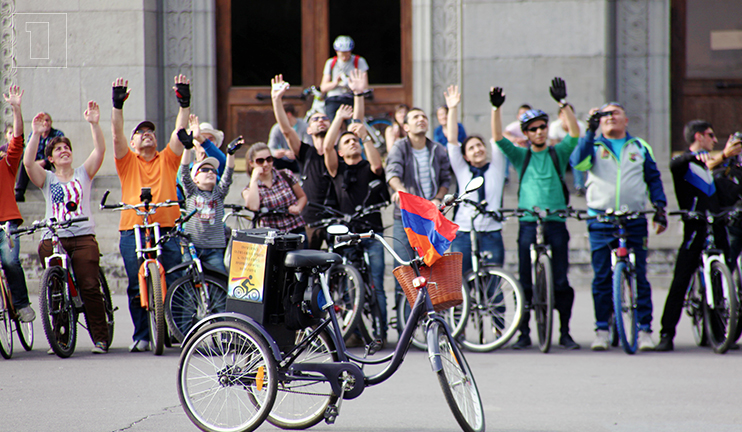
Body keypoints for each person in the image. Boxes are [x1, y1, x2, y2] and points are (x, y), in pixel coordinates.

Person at [491, 78, 581, 350]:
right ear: (526, 134)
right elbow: (497, 138)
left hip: (556, 220)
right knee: (525, 280)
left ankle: (565, 332)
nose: (540, 132)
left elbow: (575, 135)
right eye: (533, 129)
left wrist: (563, 104)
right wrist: (496, 109)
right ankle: (524, 333)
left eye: (542, 127)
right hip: (528, 222)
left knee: (562, 279)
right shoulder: (522, 156)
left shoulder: (558, 152)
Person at [571, 102, 668, 351]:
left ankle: (644, 329)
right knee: (602, 276)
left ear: (626, 120)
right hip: (600, 219)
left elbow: (653, 178)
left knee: (640, 275)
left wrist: (659, 206)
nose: (610, 117)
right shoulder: (592, 145)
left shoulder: (639, 146)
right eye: (605, 115)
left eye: (616, 113)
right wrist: (588, 133)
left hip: (634, 218)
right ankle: (602, 328)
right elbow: (577, 163)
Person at [111, 75, 190, 352]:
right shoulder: (127, 161)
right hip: (133, 228)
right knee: (135, 285)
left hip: (166, 227)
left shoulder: (167, 159)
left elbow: (179, 134)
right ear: (132, 143)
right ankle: (142, 334)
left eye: (151, 132)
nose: (147, 134)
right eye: (141, 133)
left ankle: (179, 331)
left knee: (177, 280)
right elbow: (116, 135)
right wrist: (117, 106)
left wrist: (184, 103)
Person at [24, 101, 109, 353]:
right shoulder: (47, 179)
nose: (64, 151)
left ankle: (100, 337)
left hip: (83, 237)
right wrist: (36, 133)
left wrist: (94, 123)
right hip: (54, 237)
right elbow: (28, 164)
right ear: (50, 158)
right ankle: (60, 338)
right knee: (56, 291)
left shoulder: (84, 173)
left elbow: (100, 150)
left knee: (90, 286)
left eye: (67, 148)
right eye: (58, 149)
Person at [655, 121, 741, 351]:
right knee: (680, 281)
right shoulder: (686, 164)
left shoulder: (710, 167)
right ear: (699, 136)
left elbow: (727, 192)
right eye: (711, 135)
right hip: (695, 229)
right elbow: (676, 163)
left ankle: (720, 332)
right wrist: (718, 155)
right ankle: (666, 334)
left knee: (721, 281)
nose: (715, 140)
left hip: (717, 226)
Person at [272, 71, 367, 248]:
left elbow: (357, 124)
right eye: (316, 119)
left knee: (339, 267)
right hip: (310, 218)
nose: (321, 120)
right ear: (308, 129)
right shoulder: (305, 151)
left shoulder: (341, 149)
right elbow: (286, 129)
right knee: (307, 268)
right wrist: (276, 100)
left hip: (337, 217)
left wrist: (358, 94)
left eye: (325, 118)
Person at [324, 103, 390, 341]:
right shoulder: (336, 169)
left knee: (377, 284)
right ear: (340, 151)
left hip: (371, 232)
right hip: (346, 234)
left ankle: (381, 332)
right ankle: (352, 330)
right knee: (350, 281)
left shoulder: (367, 165)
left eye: (355, 141)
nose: (352, 143)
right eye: (347, 142)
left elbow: (377, 166)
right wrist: (338, 121)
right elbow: (326, 147)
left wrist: (365, 137)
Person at [386, 106, 452, 298]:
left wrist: (438, 198)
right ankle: (404, 323)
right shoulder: (400, 147)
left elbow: (446, 179)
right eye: (415, 117)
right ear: (405, 126)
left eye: (424, 116)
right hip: (405, 219)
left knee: (434, 274)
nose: (421, 119)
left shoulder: (438, 149)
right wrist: (403, 193)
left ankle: (434, 323)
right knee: (404, 272)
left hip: (430, 220)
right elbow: (392, 173)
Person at [443, 85, 506, 275]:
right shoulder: (463, 171)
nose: (477, 149)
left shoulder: (496, 167)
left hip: (491, 233)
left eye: (479, 145)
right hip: (463, 232)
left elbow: (497, 137)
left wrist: (496, 108)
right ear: (466, 157)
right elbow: (453, 142)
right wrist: (452, 109)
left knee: (493, 281)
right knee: (463, 284)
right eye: (471, 148)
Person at [178, 128, 241, 273]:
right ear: (195, 178)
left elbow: (228, 175)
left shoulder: (218, 193)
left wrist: (230, 154)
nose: (210, 173)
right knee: (188, 282)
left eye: (213, 171)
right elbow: (184, 172)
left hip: (214, 249)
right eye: (205, 170)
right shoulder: (192, 191)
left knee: (218, 283)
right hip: (192, 246)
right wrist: (187, 149)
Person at [0, 86, 35, 323]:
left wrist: (16, 108)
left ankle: (21, 304)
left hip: (6, 223)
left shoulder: (6, 164)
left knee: (11, 261)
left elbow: (18, 140)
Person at [242, 143, 307, 237]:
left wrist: (298, 208)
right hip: (271, 237)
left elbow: (302, 196)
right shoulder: (249, 189)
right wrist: (254, 180)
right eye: (260, 161)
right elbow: (253, 206)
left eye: (269, 159)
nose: (265, 164)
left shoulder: (286, 175)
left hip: (295, 231)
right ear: (251, 163)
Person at [15, 111, 64, 202]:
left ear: (51, 122)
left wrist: (45, 161)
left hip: (50, 162)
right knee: (24, 161)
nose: (45, 123)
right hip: (34, 163)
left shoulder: (57, 134)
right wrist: (34, 163)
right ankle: (19, 192)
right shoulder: (34, 134)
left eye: (47, 120)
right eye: (43, 121)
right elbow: (27, 152)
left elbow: (60, 151)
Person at [176, 115, 227, 201]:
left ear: (216, 145)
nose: (203, 140)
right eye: (201, 137)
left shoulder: (218, 167)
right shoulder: (186, 169)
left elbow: (222, 161)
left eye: (210, 140)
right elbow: (178, 194)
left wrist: (200, 139)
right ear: (193, 145)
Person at [320, 35, 369, 121]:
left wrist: (353, 85)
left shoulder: (359, 61)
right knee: (332, 123)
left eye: (347, 52)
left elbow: (364, 86)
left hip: (351, 97)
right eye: (341, 53)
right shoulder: (331, 63)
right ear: (336, 51)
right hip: (334, 98)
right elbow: (323, 87)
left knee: (354, 123)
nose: (344, 56)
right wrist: (336, 82)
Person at [548, 103, 588, 196]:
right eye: (563, 114)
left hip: (576, 156)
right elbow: (554, 144)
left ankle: (579, 186)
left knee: (575, 154)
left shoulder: (580, 126)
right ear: (559, 116)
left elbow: (583, 145)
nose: (566, 117)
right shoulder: (555, 126)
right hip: (561, 156)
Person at [268, 103, 308, 173]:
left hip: (299, 159)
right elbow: (270, 148)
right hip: (283, 160)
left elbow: (309, 146)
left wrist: (297, 153)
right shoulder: (277, 128)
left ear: (288, 115)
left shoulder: (304, 126)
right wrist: (276, 152)